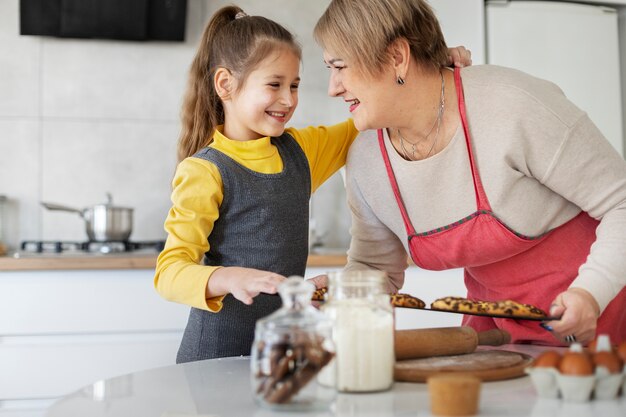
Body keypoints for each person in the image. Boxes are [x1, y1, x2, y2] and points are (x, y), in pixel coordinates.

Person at [153, 5, 472, 362]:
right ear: (225, 84)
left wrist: (426, 68)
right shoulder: (206, 171)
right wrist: (227, 278)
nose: (288, 100)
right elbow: (169, 272)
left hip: (279, 357)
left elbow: (375, 110)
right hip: (214, 358)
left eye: (294, 85)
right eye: (274, 85)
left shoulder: (301, 151)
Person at [313, 0, 626, 346]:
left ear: (397, 57)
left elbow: (621, 203)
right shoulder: (366, 160)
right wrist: (345, 289)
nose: (333, 87)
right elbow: (376, 270)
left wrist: (591, 293)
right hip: (497, 340)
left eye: (339, 66)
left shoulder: (512, 106)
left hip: (606, 321)